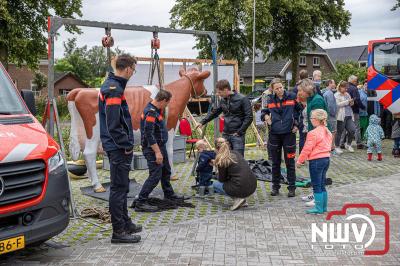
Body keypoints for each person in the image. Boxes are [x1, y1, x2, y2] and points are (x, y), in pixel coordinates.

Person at [98, 54, 142, 244]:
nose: (133, 72)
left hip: (116, 146)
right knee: (118, 189)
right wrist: (125, 145)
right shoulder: (114, 89)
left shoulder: (113, 86)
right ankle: (119, 232)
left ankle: (125, 222)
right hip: (118, 148)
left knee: (122, 187)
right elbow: (114, 123)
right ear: (128, 68)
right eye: (134, 69)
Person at [135, 90, 186, 212]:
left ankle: (169, 194)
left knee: (165, 171)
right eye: (167, 103)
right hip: (152, 149)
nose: (167, 106)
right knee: (155, 175)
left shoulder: (155, 110)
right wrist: (157, 152)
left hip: (160, 147)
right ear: (163, 100)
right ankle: (141, 201)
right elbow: (149, 134)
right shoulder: (151, 112)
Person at [261, 78, 302, 197]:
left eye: (281, 87)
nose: (280, 90)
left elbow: (300, 112)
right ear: (272, 90)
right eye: (277, 88)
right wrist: (266, 117)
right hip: (274, 134)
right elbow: (263, 112)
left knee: (290, 162)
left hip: (289, 134)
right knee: (275, 162)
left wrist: (296, 125)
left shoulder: (292, 96)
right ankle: (275, 187)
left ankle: (292, 187)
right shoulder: (269, 99)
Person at [198, 80, 252, 156]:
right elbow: (215, 112)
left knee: (238, 159)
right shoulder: (223, 100)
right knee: (224, 158)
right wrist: (202, 122)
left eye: (220, 92)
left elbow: (249, 117)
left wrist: (240, 132)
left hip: (237, 135)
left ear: (226, 90)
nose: (218, 94)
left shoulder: (242, 99)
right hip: (225, 134)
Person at [296, 109, 332, 214]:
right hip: (326, 159)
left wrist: (299, 161)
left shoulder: (313, 133)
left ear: (316, 120)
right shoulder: (327, 131)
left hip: (316, 161)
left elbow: (307, 149)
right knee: (322, 184)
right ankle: (324, 207)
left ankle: (318, 208)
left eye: (311, 118)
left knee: (316, 185)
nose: (311, 120)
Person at [212, 138, 257, 210]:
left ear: (216, 149)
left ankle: (237, 199)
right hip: (253, 186)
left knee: (215, 184)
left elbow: (222, 179)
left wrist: (217, 169)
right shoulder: (236, 153)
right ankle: (243, 200)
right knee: (237, 180)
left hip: (240, 187)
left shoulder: (222, 159)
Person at [344, 75, 365, 149]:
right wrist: (363, 107)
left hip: (345, 110)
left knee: (344, 127)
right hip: (354, 110)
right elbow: (357, 100)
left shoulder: (344, 87)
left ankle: (341, 143)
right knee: (356, 127)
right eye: (356, 81)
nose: (357, 82)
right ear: (353, 81)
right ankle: (359, 143)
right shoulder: (354, 89)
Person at [335, 81, 356, 154]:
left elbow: (350, 104)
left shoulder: (347, 94)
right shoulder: (336, 95)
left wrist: (351, 102)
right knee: (339, 132)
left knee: (352, 130)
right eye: (345, 88)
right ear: (341, 87)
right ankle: (337, 147)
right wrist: (347, 101)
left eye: (347, 88)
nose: (346, 89)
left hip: (349, 115)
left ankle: (348, 144)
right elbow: (337, 104)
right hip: (341, 116)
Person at [323, 79, 337, 150]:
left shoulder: (324, 92)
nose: (335, 85)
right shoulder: (329, 93)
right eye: (334, 83)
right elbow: (331, 106)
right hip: (331, 116)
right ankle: (331, 146)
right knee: (333, 131)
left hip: (326, 115)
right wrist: (334, 113)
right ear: (330, 83)